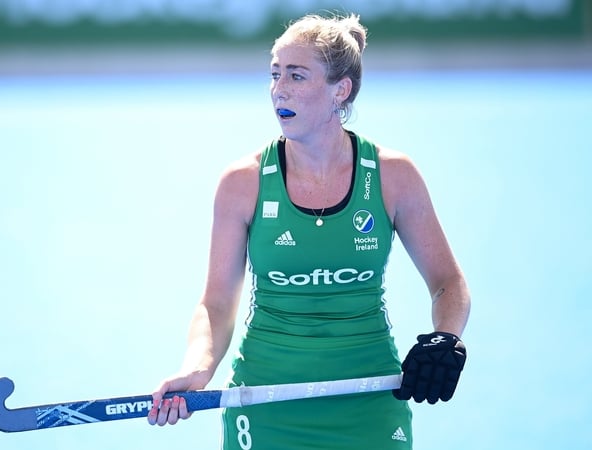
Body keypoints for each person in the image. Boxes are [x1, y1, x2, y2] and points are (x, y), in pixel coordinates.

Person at [147, 12, 471, 449]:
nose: (280, 89)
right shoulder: (242, 183)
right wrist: (198, 367)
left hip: (369, 401)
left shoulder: (394, 176)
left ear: (341, 89)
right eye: (275, 75)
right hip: (264, 405)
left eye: (297, 76)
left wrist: (444, 338)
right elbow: (217, 303)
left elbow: (448, 283)